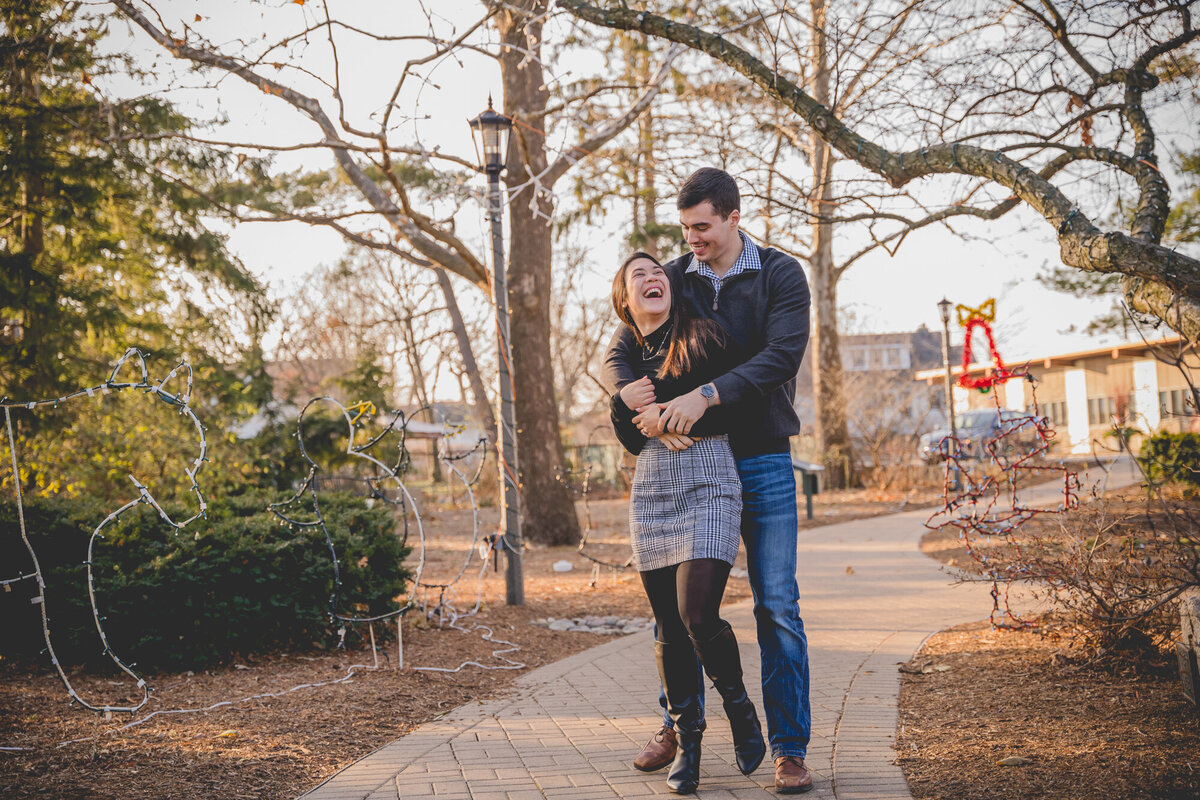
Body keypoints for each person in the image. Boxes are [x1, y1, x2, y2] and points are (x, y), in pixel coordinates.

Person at [604, 167, 813, 794]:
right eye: (686, 228)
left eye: (702, 227)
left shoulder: (778, 273)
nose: (692, 239)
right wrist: (626, 393)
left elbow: (782, 355)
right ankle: (676, 724)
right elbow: (625, 339)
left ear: (732, 217)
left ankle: (789, 749)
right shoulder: (673, 275)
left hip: (764, 457)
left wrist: (706, 395)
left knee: (776, 604)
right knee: (679, 610)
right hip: (690, 463)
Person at [609, 251, 766, 795]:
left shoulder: (705, 334)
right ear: (626, 299)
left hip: (709, 478)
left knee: (696, 612)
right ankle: (690, 745)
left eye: (658, 271)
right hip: (652, 488)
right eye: (638, 275)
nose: (653, 277)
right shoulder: (626, 359)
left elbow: (742, 400)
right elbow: (630, 438)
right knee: (668, 627)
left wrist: (676, 412)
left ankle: (740, 709)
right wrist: (624, 408)